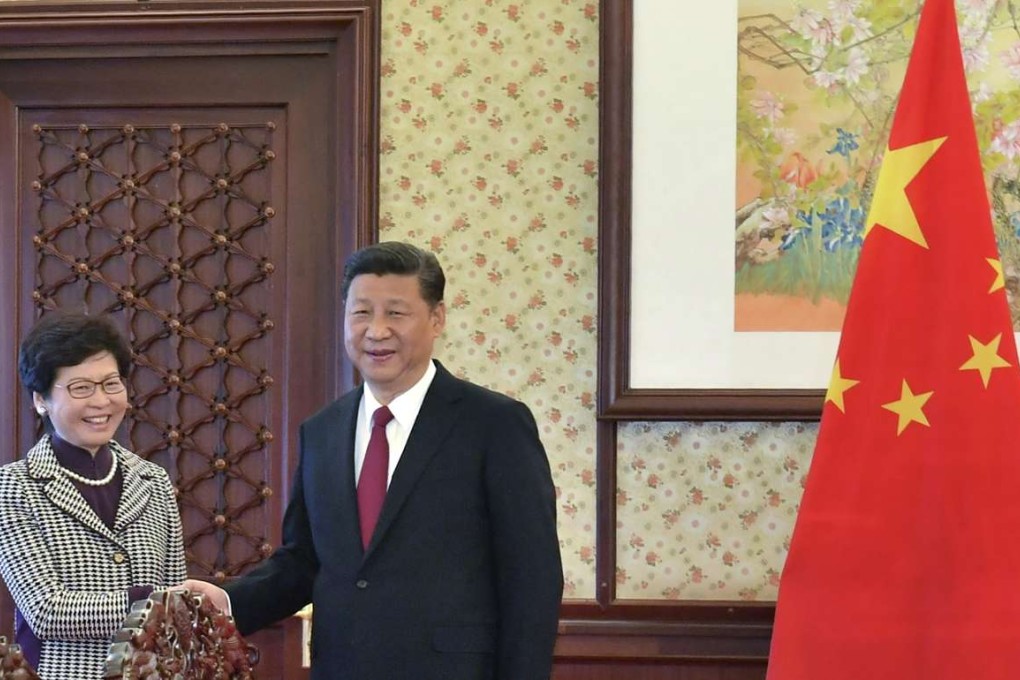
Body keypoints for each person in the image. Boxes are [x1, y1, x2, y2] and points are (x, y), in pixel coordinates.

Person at [185, 241, 563, 679]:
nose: (376, 331)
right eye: (361, 312)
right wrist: (228, 602)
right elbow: (304, 561)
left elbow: (532, 577)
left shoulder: (494, 423)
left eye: (396, 313)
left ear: (437, 318)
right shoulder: (322, 431)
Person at [0, 312, 186, 679]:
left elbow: (176, 611)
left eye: (111, 384)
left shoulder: (154, 481)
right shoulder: (14, 486)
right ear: (40, 399)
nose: (101, 401)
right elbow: (46, 611)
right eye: (81, 388)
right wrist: (152, 602)